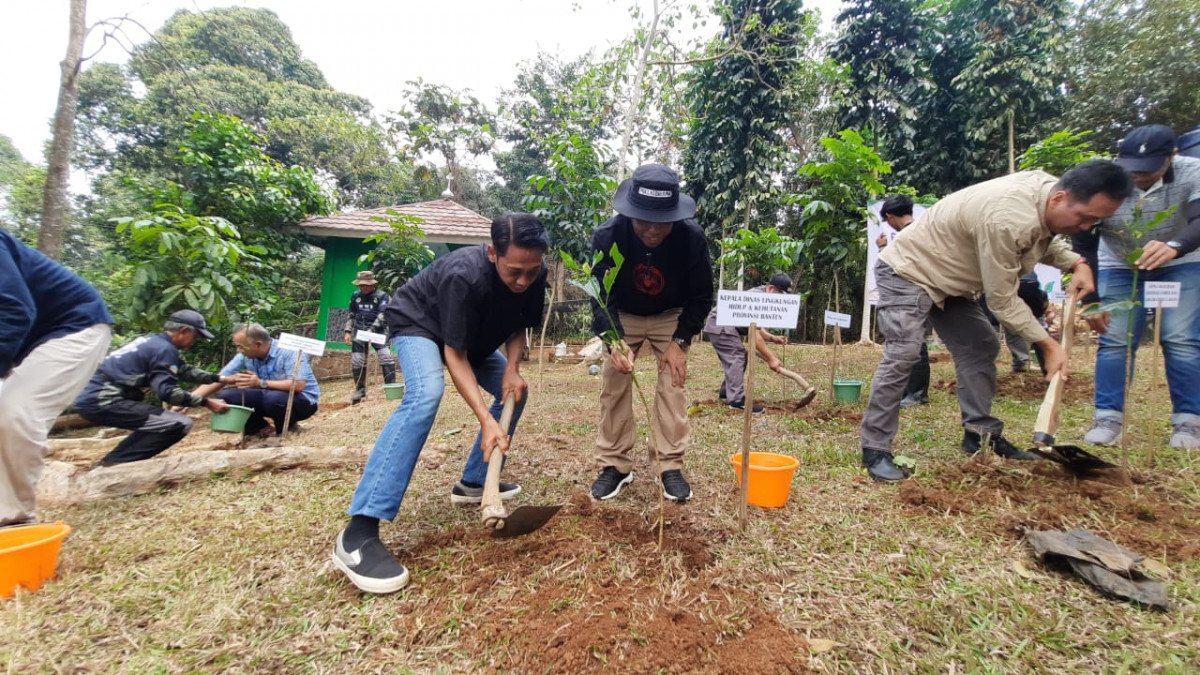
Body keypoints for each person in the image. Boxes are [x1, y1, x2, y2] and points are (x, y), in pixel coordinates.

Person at [859, 159, 1133, 482]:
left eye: (1095, 221)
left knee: (980, 343)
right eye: (1085, 217)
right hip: (908, 271)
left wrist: (1078, 262)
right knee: (904, 352)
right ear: (1061, 199)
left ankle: (979, 434)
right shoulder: (1007, 219)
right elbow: (1001, 300)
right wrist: (1046, 343)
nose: (1087, 227)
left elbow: (1045, 238)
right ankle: (874, 448)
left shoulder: (1045, 189)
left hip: (949, 277)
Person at [332, 213, 549, 594]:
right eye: (515, 271)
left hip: (475, 336)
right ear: (491, 254)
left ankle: (474, 484)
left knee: (516, 390)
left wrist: (512, 369)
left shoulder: (533, 271)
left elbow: (519, 323)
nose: (523, 281)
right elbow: (455, 353)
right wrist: (486, 420)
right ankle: (358, 532)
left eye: (531, 272)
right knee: (425, 396)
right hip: (421, 326)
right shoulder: (461, 276)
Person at [588, 163, 714, 503]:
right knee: (614, 381)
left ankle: (668, 463)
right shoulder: (608, 236)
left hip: (669, 314)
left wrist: (681, 341)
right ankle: (616, 465)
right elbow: (598, 296)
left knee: (673, 382)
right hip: (622, 314)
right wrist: (613, 340)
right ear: (630, 212)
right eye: (644, 220)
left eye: (662, 222)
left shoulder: (691, 239)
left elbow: (702, 297)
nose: (653, 230)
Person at [1072, 125, 1200, 449]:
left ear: (1172, 156)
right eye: (1134, 169)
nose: (1140, 176)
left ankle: (1188, 423)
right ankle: (1107, 419)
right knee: (1114, 340)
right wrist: (1095, 298)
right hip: (1119, 264)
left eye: (1150, 168)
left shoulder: (1193, 171)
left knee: (1179, 337)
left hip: (1179, 262)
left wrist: (1175, 245)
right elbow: (1083, 236)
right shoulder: (1103, 177)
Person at [0, 231, 113, 526]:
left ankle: (13, 521)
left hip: (74, 326)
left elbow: (14, 310)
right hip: (23, 341)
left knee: (14, 410)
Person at [73, 310, 231, 466]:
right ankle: (114, 464)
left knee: (163, 422)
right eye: (195, 337)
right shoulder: (164, 349)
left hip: (90, 397)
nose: (193, 342)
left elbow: (184, 370)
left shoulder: (154, 341)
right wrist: (207, 402)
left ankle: (111, 461)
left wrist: (220, 378)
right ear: (184, 331)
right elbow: (168, 393)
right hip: (103, 400)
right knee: (180, 424)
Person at [190, 323, 321, 437]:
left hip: (302, 401)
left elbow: (298, 385)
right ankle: (260, 430)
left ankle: (287, 429)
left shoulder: (289, 351)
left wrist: (260, 383)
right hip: (268, 398)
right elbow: (220, 378)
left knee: (273, 398)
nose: (238, 350)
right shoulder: (244, 355)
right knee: (227, 396)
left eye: (241, 346)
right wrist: (189, 399)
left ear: (258, 344)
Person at [703, 273, 791, 414]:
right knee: (737, 356)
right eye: (781, 294)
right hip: (721, 325)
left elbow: (756, 327)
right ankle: (737, 401)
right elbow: (754, 336)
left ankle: (726, 393)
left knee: (739, 356)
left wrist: (773, 338)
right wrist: (771, 359)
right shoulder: (757, 298)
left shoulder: (762, 296)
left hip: (722, 325)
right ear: (771, 288)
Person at [877, 195, 930, 407]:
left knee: (915, 345)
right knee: (914, 344)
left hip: (912, 298)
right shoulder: (922, 231)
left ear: (890, 216)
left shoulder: (909, 236)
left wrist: (882, 248)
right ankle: (911, 391)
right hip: (919, 295)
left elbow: (899, 268)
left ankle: (917, 394)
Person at [342, 271, 397, 404]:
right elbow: (351, 314)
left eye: (365, 285)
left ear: (372, 284)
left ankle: (391, 388)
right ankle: (360, 390)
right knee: (357, 360)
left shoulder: (382, 296)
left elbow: (383, 314)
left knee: (386, 357)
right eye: (360, 285)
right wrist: (348, 331)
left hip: (379, 331)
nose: (362, 288)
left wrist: (372, 329)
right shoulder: (356, 296)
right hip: (359, 332)